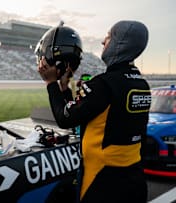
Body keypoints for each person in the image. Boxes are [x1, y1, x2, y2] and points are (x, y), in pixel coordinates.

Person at [36, 20, 150, 203]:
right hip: (134, 178)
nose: (103, 42)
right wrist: (65, 88)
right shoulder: (142, 84)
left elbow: (65, 119)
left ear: (120, 44)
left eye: (108, 37)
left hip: (102, 182)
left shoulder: (103, 84)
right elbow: (82, 112)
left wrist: (51, 83)